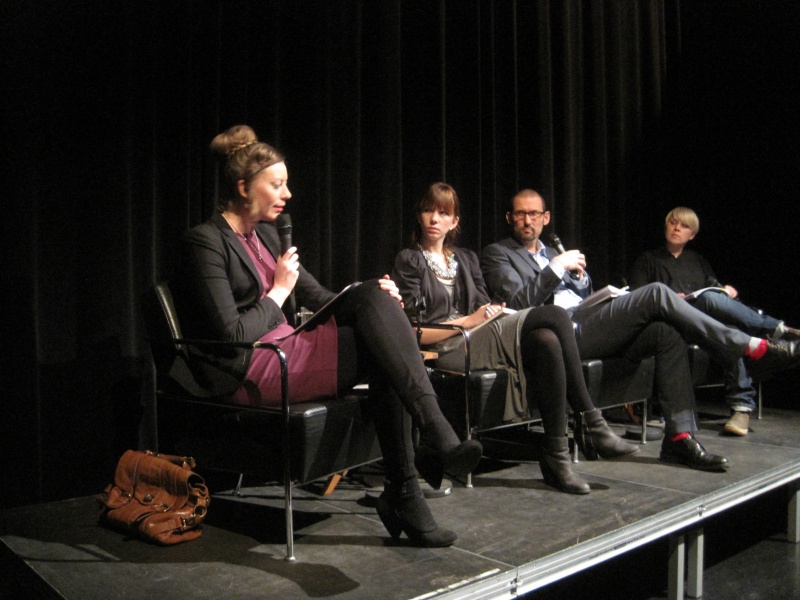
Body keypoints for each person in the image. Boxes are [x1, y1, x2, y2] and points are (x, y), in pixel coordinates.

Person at [171, 125, 483, 548]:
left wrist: (375, 300)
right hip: (250, 366)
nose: (287, 194)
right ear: (243, 188)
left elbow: (318, 296)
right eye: (276, 185)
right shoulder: (204, 242)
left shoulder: (265, 236)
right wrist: (279, 291)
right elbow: (231, 335)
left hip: (288, 347)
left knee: (379, 317)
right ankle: (421, 462)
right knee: (379, 337)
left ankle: (411, 481)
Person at [480, 189, 799, 472]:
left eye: (534, 213)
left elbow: (579, 295)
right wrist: (556, 268)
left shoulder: (552, 251)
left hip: (590, 320)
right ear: (510, 217)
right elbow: (518, 303)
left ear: (545, 217)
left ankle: (679, 438)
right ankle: (747, 345)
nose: (527, 220)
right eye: (520, 214)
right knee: (657, 292)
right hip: (558, 334)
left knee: (665, 330)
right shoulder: (498, 253)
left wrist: (581, 281)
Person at [392, 183, 639, 496]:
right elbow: (413, 330)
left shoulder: (466, 259)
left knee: (546, 340)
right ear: (419, 216)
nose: (434, 219)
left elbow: (482, 306)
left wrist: (491, 312)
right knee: (555, 316)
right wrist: (467, 321)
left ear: (454, 221)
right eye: (429, 211)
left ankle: (557, 457)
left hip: (481, 335)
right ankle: (591, 422)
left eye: (443, 213)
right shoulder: (410, 260)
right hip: (448, 347)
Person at [629, 206, 800, 436]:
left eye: (684, 226)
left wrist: (726, 291)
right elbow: (638, 299)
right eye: (673, 223)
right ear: (666, 226)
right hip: (672, 321)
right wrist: (670, 297)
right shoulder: (648, 260)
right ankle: (777, 329)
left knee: (726, 328)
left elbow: (714, 287)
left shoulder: (697, 260)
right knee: (711, 303)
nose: (677, 228)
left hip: (704, 320)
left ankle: (741, 409)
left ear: (692, 235)